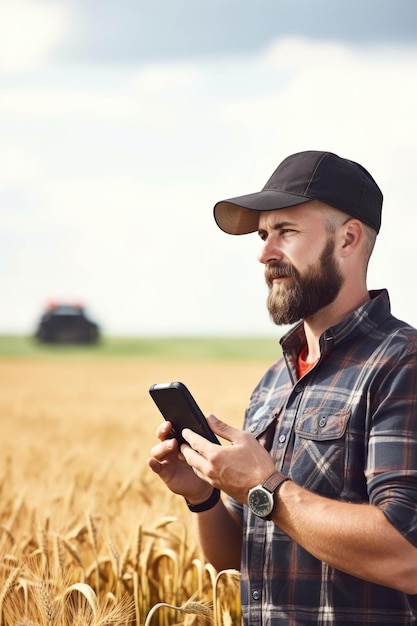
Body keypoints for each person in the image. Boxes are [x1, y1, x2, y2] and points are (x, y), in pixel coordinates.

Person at [147, 150, 417, 625]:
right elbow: (239, 559)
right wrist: (203, 496)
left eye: (286, 232)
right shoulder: (274, 380)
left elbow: (407, 553)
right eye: (263, 235)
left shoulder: (403, 363)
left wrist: (264, 484)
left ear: (348, 239)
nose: (264, 253)